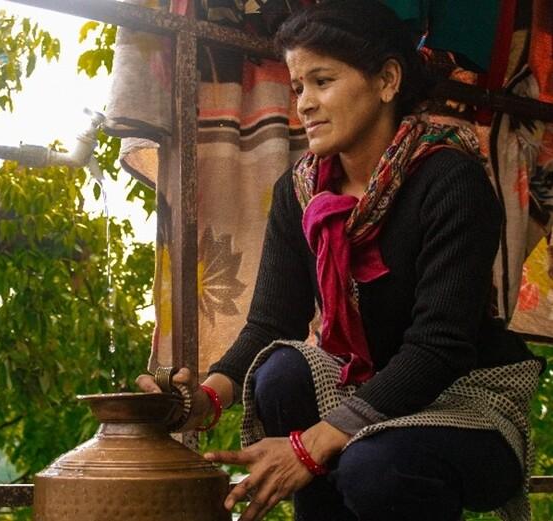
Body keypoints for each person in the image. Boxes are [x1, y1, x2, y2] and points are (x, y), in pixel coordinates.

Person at [137, 1, 545, 520]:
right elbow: (270, 322)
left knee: (374, 467)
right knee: (281, 371)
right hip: (365, 389)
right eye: (298, 87)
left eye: (322, 81)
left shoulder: (451, 181)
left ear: (388, 81)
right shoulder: (302, 191)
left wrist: (309, 446)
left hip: (465, 400)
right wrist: (206, 399)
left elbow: (440, 347)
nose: (304, 104)